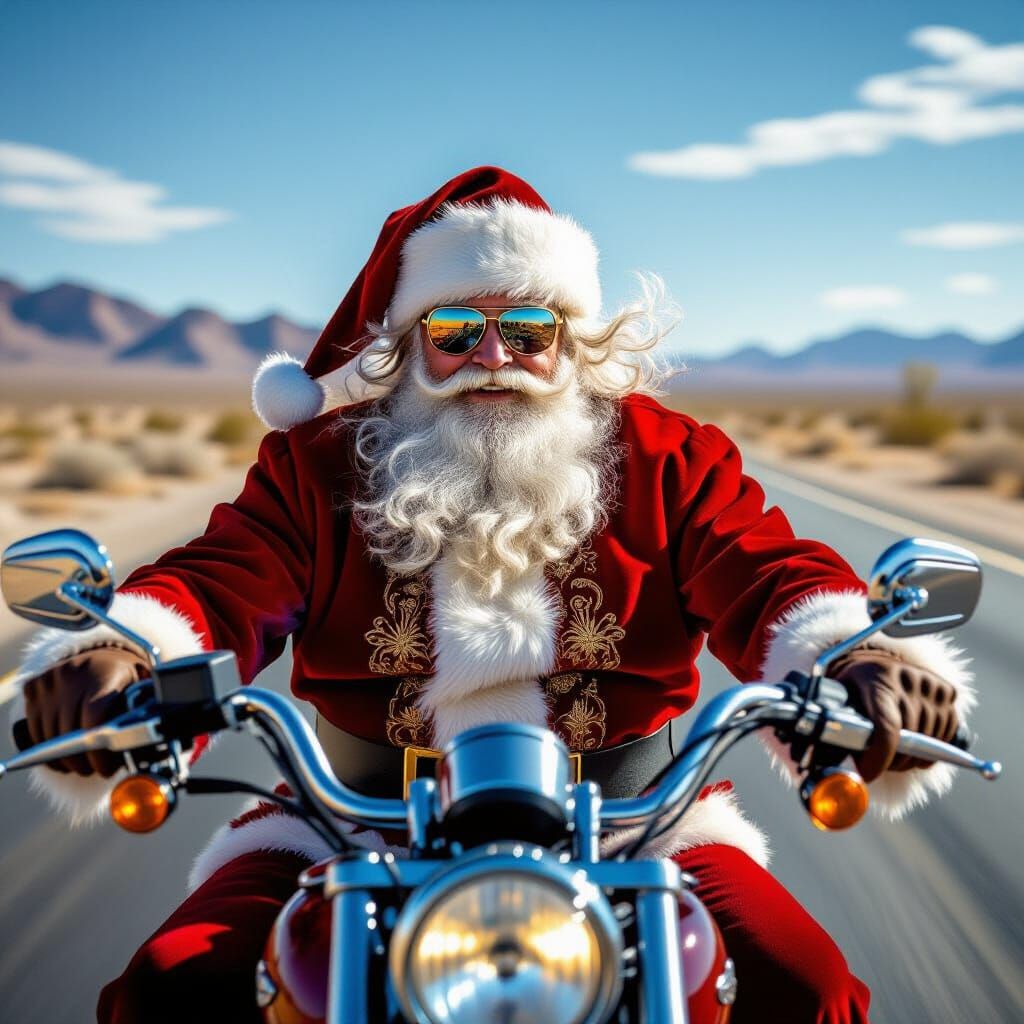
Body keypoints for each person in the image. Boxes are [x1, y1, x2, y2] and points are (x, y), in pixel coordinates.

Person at [13, 167, 973, 1024]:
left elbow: (768, 570)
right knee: (172, 985)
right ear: (404, 345)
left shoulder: (670, 459)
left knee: (806, 986)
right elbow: (222, 578)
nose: (494, 357)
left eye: (527, 329)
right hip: (349, 813)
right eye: (455, 331)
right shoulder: (318, 466)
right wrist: (131, 648)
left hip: (635, 820)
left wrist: (857, 652)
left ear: (571, 342)